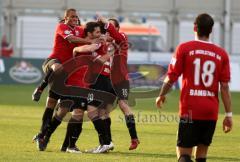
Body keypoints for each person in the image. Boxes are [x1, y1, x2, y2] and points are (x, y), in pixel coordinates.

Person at [155, 13, 232, 162]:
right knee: (201, 156)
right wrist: (228, 115)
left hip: (190, 109)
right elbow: (224, 87)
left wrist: (161, 94)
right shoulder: (222, 54)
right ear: (211, 30)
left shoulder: (184, 48)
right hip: (210, 111)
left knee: (183, 155)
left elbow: (171, 76)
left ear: (195, 27)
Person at [37, 21, 114, 153]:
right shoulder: (80, 47)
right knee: (72, 113)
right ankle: (55, 140)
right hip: (72, 86)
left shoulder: (96, 47)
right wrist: (100, 43)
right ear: (89, 34)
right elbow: (82, 49)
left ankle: (62, 143)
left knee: (66, 113)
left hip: (83, 87)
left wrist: (107, 44)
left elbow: (104, 47)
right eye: (96, 32)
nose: (99, 34)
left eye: (100, 32)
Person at [32, 8, 91, 148]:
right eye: (71, 16)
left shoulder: (80, 30)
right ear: (65, 18)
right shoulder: (62, 26)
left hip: (66, 75)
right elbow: (71, 39)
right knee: (57, 67)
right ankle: (40, 88)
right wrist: (87, 41)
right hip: (52, 62)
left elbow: (91, 33)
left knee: (57, 107)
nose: (74, 18)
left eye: (76, 16)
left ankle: (42, 136)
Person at [97, 16, 140, 150]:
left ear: (117, 28)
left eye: (111, 26)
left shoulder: (122, 37)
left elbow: (116, 37)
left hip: (121, 78)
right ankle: (107, 143)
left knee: (123, 105)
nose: (108, 30)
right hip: (108, 80)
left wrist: (105, 23)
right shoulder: (106, 42)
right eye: (107, 28)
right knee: (103, 111)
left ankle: (134, 138)